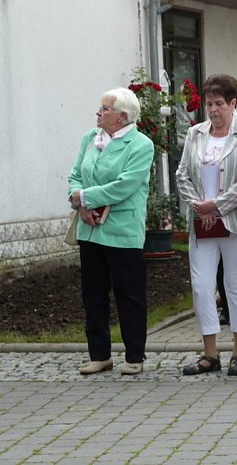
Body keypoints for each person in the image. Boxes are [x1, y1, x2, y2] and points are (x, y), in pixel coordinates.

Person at [176, 74, 237, 377]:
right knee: (202, 286)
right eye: (209, 104)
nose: (213, 110)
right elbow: (182, 174)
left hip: (236, 220)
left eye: (219, 104)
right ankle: (210, 353)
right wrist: (197, 205)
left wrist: (217, 205)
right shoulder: (196, 133)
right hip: (202, 221)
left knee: (235, 285)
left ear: (233, 103)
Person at [68, 87, 154, 376]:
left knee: (129, 295)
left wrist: (86, 198)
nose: (99, 112)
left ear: (123, 117)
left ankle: (134, 355)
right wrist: (79, 203)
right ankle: (100, 355)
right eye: (101, 107)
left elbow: (125, 185)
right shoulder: (90, 138)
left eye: (105, 109)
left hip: (122, 230)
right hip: (90, 229)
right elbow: (75, 176)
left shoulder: (141, 145)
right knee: (92, 294)